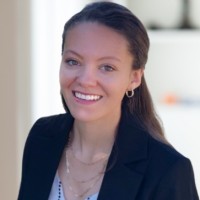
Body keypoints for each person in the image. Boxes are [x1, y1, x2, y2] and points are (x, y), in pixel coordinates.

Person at [18, 2, 199, 200]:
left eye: (107, 67)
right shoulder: (42, 138)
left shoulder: (167, 171)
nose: (86, 80)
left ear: (134, 78)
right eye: (73, 61)